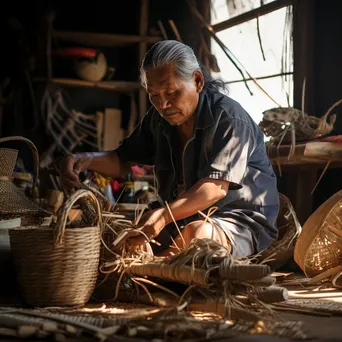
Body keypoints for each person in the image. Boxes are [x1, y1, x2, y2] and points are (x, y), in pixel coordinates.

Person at [58, 40, 280, 258]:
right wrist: (82, 159)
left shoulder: (228, 118)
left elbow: (215, 189)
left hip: (238, 221)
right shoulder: (158, 120)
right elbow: (120, 162)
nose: (163, 105)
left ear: (197, 80)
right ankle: (158, 268)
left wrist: (164, 215)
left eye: (172, 93)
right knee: (123, 237)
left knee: (196, 235)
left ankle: (157, 271)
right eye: (154, 95)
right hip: (181, 218)